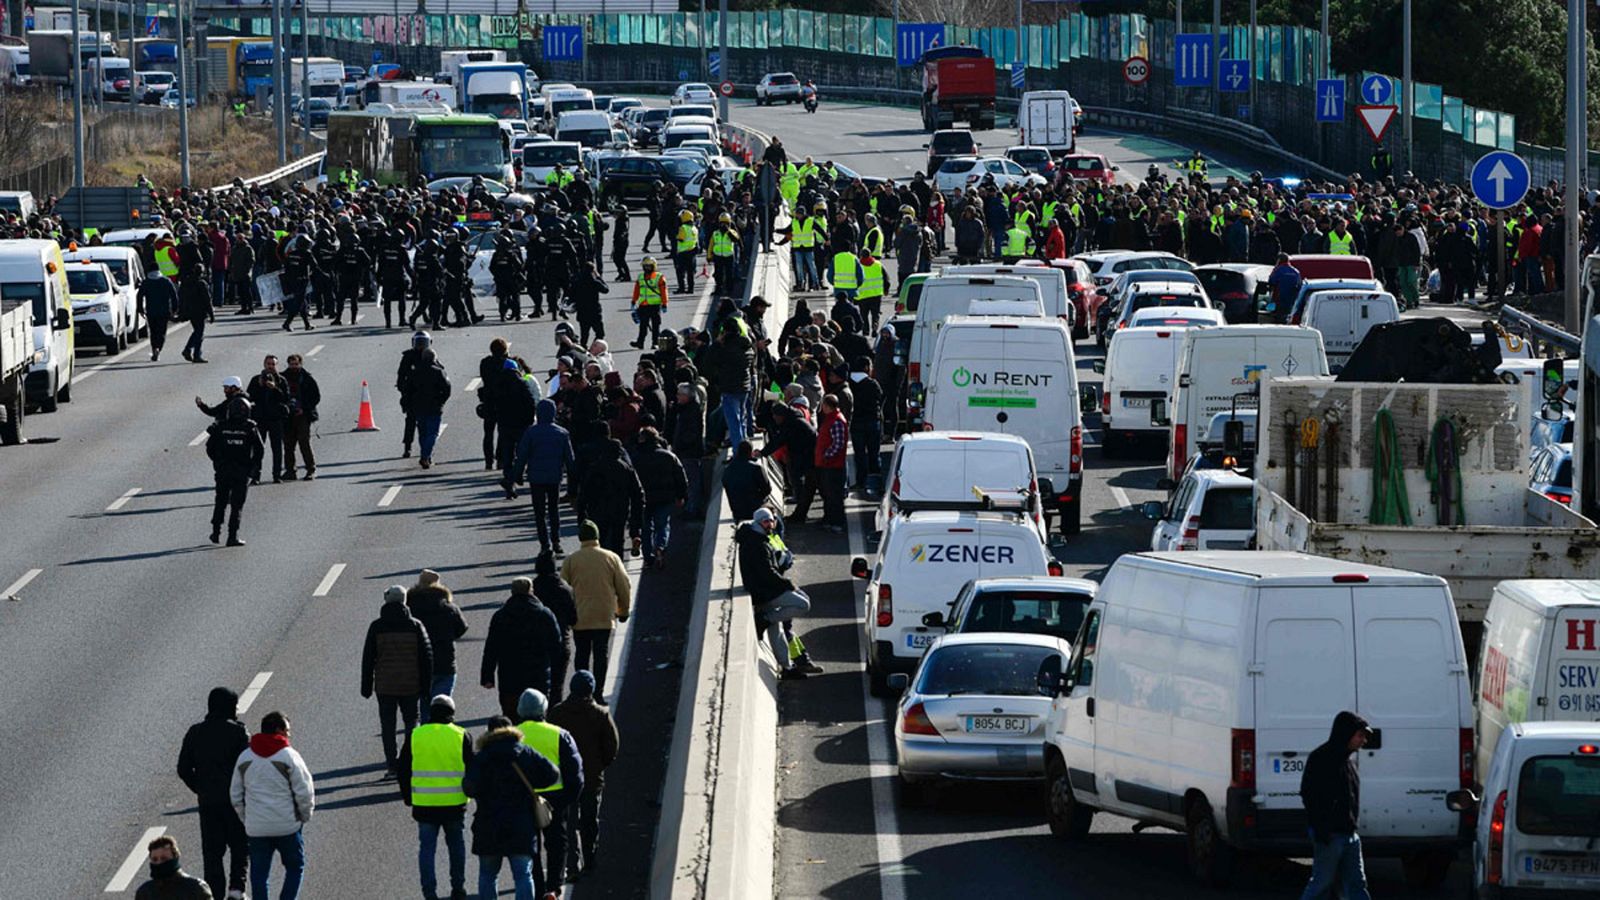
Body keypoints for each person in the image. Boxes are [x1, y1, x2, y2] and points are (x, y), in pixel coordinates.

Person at [463, 715, 559, 900]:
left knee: (488, 875)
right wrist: (532, 784)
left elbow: (469, 788)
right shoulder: (525, 752)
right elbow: (552, 774)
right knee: (523, 875)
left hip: (488, 823)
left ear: (489, 732)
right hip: (521, 823)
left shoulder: (481, 757)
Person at [230, 711, 314, 900]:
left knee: (259, 874)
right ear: (279, 730)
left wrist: (247, 819)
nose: (289, 735)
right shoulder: (288, 756)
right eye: (287, 730)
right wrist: (304, 816)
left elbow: (235, 795)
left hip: (257, 828)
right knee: (295, 867)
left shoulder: (245, 757)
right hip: (287, 825)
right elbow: (305, 790)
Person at [398, 695, 475, 900]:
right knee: (456, 847)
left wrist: (408, 796)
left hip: (425, 804)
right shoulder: (462, 735)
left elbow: (403, 768)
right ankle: (458, 888)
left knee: (427, 850)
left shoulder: (416, 735)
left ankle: (429, 892)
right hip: (455, 803)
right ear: (452, 713)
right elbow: (474, 769)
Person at [176, 688, 250, 899]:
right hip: (235, 802)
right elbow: (248, 767)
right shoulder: (238, 733)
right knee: (240, 847)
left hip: (208, 803)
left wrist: (200, 788)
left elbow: (183, 769)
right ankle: (236, 891)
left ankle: (214, 894)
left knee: (212, 853)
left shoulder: (195, 732)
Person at [547, 671, 618, 882]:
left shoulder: (557, 713)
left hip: (566, 778)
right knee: (589, 820)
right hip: (591, 777)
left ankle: (572, 864)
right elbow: (612, 747)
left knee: (568, 822)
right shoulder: (601, 714)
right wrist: (599, 766)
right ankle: (590, 858)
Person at [1298, 711, 1376, 900]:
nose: (1363, 741)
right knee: (1321, 884)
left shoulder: (1347, 762)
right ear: (1346, 733)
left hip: (1349, 834)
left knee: (1356, 884)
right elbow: (1309, 794)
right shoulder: (1321, 758)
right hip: (1330, 835)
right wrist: (1321, 828)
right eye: (1360, 735)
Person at [514, 689, 585, 895]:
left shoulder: (514, 735)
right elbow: (575, 773)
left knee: (530, 847)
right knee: (557, 844)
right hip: (556, 798)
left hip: (523, 799)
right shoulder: (559, 734)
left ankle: (536, 887)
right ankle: (553, 888)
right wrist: (567, 799)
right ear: (544, 709)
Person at [361, 585, 434, 777]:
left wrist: (366, 686)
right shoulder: (415, 625)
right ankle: (410, 760)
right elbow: (427, 658)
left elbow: (368, 658)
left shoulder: (377, 626)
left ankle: (392, 766)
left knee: (388, 726)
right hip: (411, 684)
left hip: (385, 685)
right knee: (412, 722)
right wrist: (426, 687)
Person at [735, 508, 813, 679]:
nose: (770, 524)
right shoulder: (757, 543)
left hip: (764, 589)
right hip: (764, 591)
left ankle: (786, 667)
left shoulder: (756, 538)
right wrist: (788, 584)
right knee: (803, 605)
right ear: (758, 523)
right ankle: (765, 618)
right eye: (765, 521)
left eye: (771, 521)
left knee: (775, 630)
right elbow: (767, 573)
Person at [561, 520, 632, 703]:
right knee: (601, 655)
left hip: (580, 616)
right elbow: (624, 586)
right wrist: (623, 610)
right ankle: (599, 692)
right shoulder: (611, 557)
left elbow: (563, 589)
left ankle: (581, 692)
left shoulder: (571, 560)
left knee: (582, 655)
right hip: (604, 615)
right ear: (597, 536)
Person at [481, 576, 565, 719]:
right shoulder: (544, 614)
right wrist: (556, 677)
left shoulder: (501, 616)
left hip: (509, 679)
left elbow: (491, 648)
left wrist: (487, 676)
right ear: (531, 591)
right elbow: (556, 648)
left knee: (511, 717)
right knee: (537, 718)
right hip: (538, 677)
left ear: (512, 592)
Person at [509, 399, 577, 558]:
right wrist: (574, 478)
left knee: (539, 513)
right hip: (554, 477)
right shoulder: (562, 433)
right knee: (554, 510)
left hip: (536, 477)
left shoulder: (531, 432)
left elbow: (522, 456)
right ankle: (557, 542)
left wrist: (516, 475)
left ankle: (544, 544)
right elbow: (569, 458)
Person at [202, 383, 263, 547]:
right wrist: (252, 470)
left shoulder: (221, 427)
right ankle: (232, 536)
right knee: (236, 505)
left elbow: (209, 447)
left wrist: (218, 462)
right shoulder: (250, 428)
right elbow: (260, 451)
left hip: (224, 470)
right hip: (241, 471)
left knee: (220, 501)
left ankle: (216, 532)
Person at [407, 569, 469, 719]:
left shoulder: (410, 607)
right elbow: (461, 628)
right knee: (442, 703)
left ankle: (426, 733)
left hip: (419, 663)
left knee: (424, 704)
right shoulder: (448, 607)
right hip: (445, 662)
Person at [631, 426, 688, 569]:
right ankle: (660, 548)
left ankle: (647, 556)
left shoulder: (636, 458)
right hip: (665, 497)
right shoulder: (668, 456)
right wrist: (681, 495)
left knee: (646, 527)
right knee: (662, 525)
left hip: (644, 499)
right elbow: (681, 477)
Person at [533, 552, 579, 705]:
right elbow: (573, 618)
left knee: (538, 686)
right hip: (561, 643)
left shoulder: (533, 590)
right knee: (557, 687)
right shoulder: (565, 589)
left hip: (537, 644)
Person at [403, 347, 452, 469]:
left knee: (423, 433)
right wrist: (441, 402)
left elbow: (407, 389)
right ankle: (425, 456)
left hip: (419, 407)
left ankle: (426, 455)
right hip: (434, 407)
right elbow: (447, 389)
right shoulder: (438, 372)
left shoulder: (414, 372)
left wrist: (409, 403)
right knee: (432, 433)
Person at [246, 355, 289, 485]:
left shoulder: (281, 380)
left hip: (275, 419)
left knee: (277, 448)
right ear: (264, 364)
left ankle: (277, 475)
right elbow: (249, 398)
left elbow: (285, 398)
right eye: (268, 364)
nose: (270, 366)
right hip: (260, 419)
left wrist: (274, 388)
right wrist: (259, 386)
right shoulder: (256, 379)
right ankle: (255, 476)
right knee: (258, 448)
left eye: (273, 364)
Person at [280, 354, 320, 480]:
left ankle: (310, 469)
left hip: (303, 415)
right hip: (288, 416)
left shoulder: (307, 378)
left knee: (304, 442)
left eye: (296, 364)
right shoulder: (282, 378)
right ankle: (290, 470)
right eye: (291, 364)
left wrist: (304, 409)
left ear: (301, 364)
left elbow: (315, 397)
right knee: (288, 444)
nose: (294, 367)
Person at [813, 394, 849, 532]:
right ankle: (828, 519)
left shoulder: (836, 421)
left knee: (834, 495)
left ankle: (837, 522)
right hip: (827, 464)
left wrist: (825, 456)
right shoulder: (831, 419)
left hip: (832, 465)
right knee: (828, 494)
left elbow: (838, 444)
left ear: (827, 406)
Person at [135, 835, 212, 899]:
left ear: (175, 858)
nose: (159, 863)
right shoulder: (145, 892)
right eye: (155, 859)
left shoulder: (196, 888)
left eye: (164, 858)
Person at [628, 256, 669, 350]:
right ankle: (640, 342)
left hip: (654, 305)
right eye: (645, 266)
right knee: (643, 325)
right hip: (643, 305)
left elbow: (663, 291)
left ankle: (655, 343)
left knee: (655, 326)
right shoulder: (641, 277)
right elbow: (636, 290)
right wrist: (634, 301)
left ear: (653, 266)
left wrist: (664, 303)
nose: (646, 268)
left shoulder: (659, 277)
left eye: (648, 266)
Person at [137, 270, 178, 361]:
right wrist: (174, 309)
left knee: (153, 332)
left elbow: (139, 296)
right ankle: (158, 348)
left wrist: (140, 309)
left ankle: (154, 348)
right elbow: (174, 295)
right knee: (161, 332)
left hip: (151, 312)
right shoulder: (166, 281)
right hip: (164, 312)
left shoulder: (146, 282)